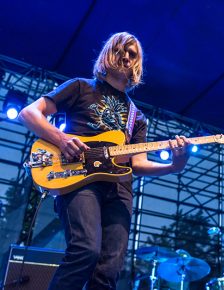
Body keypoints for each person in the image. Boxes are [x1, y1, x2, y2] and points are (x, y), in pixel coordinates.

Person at [18, 32, 191, 290]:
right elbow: (29, 113)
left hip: (119, 190)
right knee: (85, 250)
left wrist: (175, 165)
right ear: (109, 53)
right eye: (121, 50)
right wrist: (62, 139)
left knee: (108, 271)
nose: (126, 57)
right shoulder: (80, 87)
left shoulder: (138, 117)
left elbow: (138, 163)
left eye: (133, 54)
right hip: (78, 179)